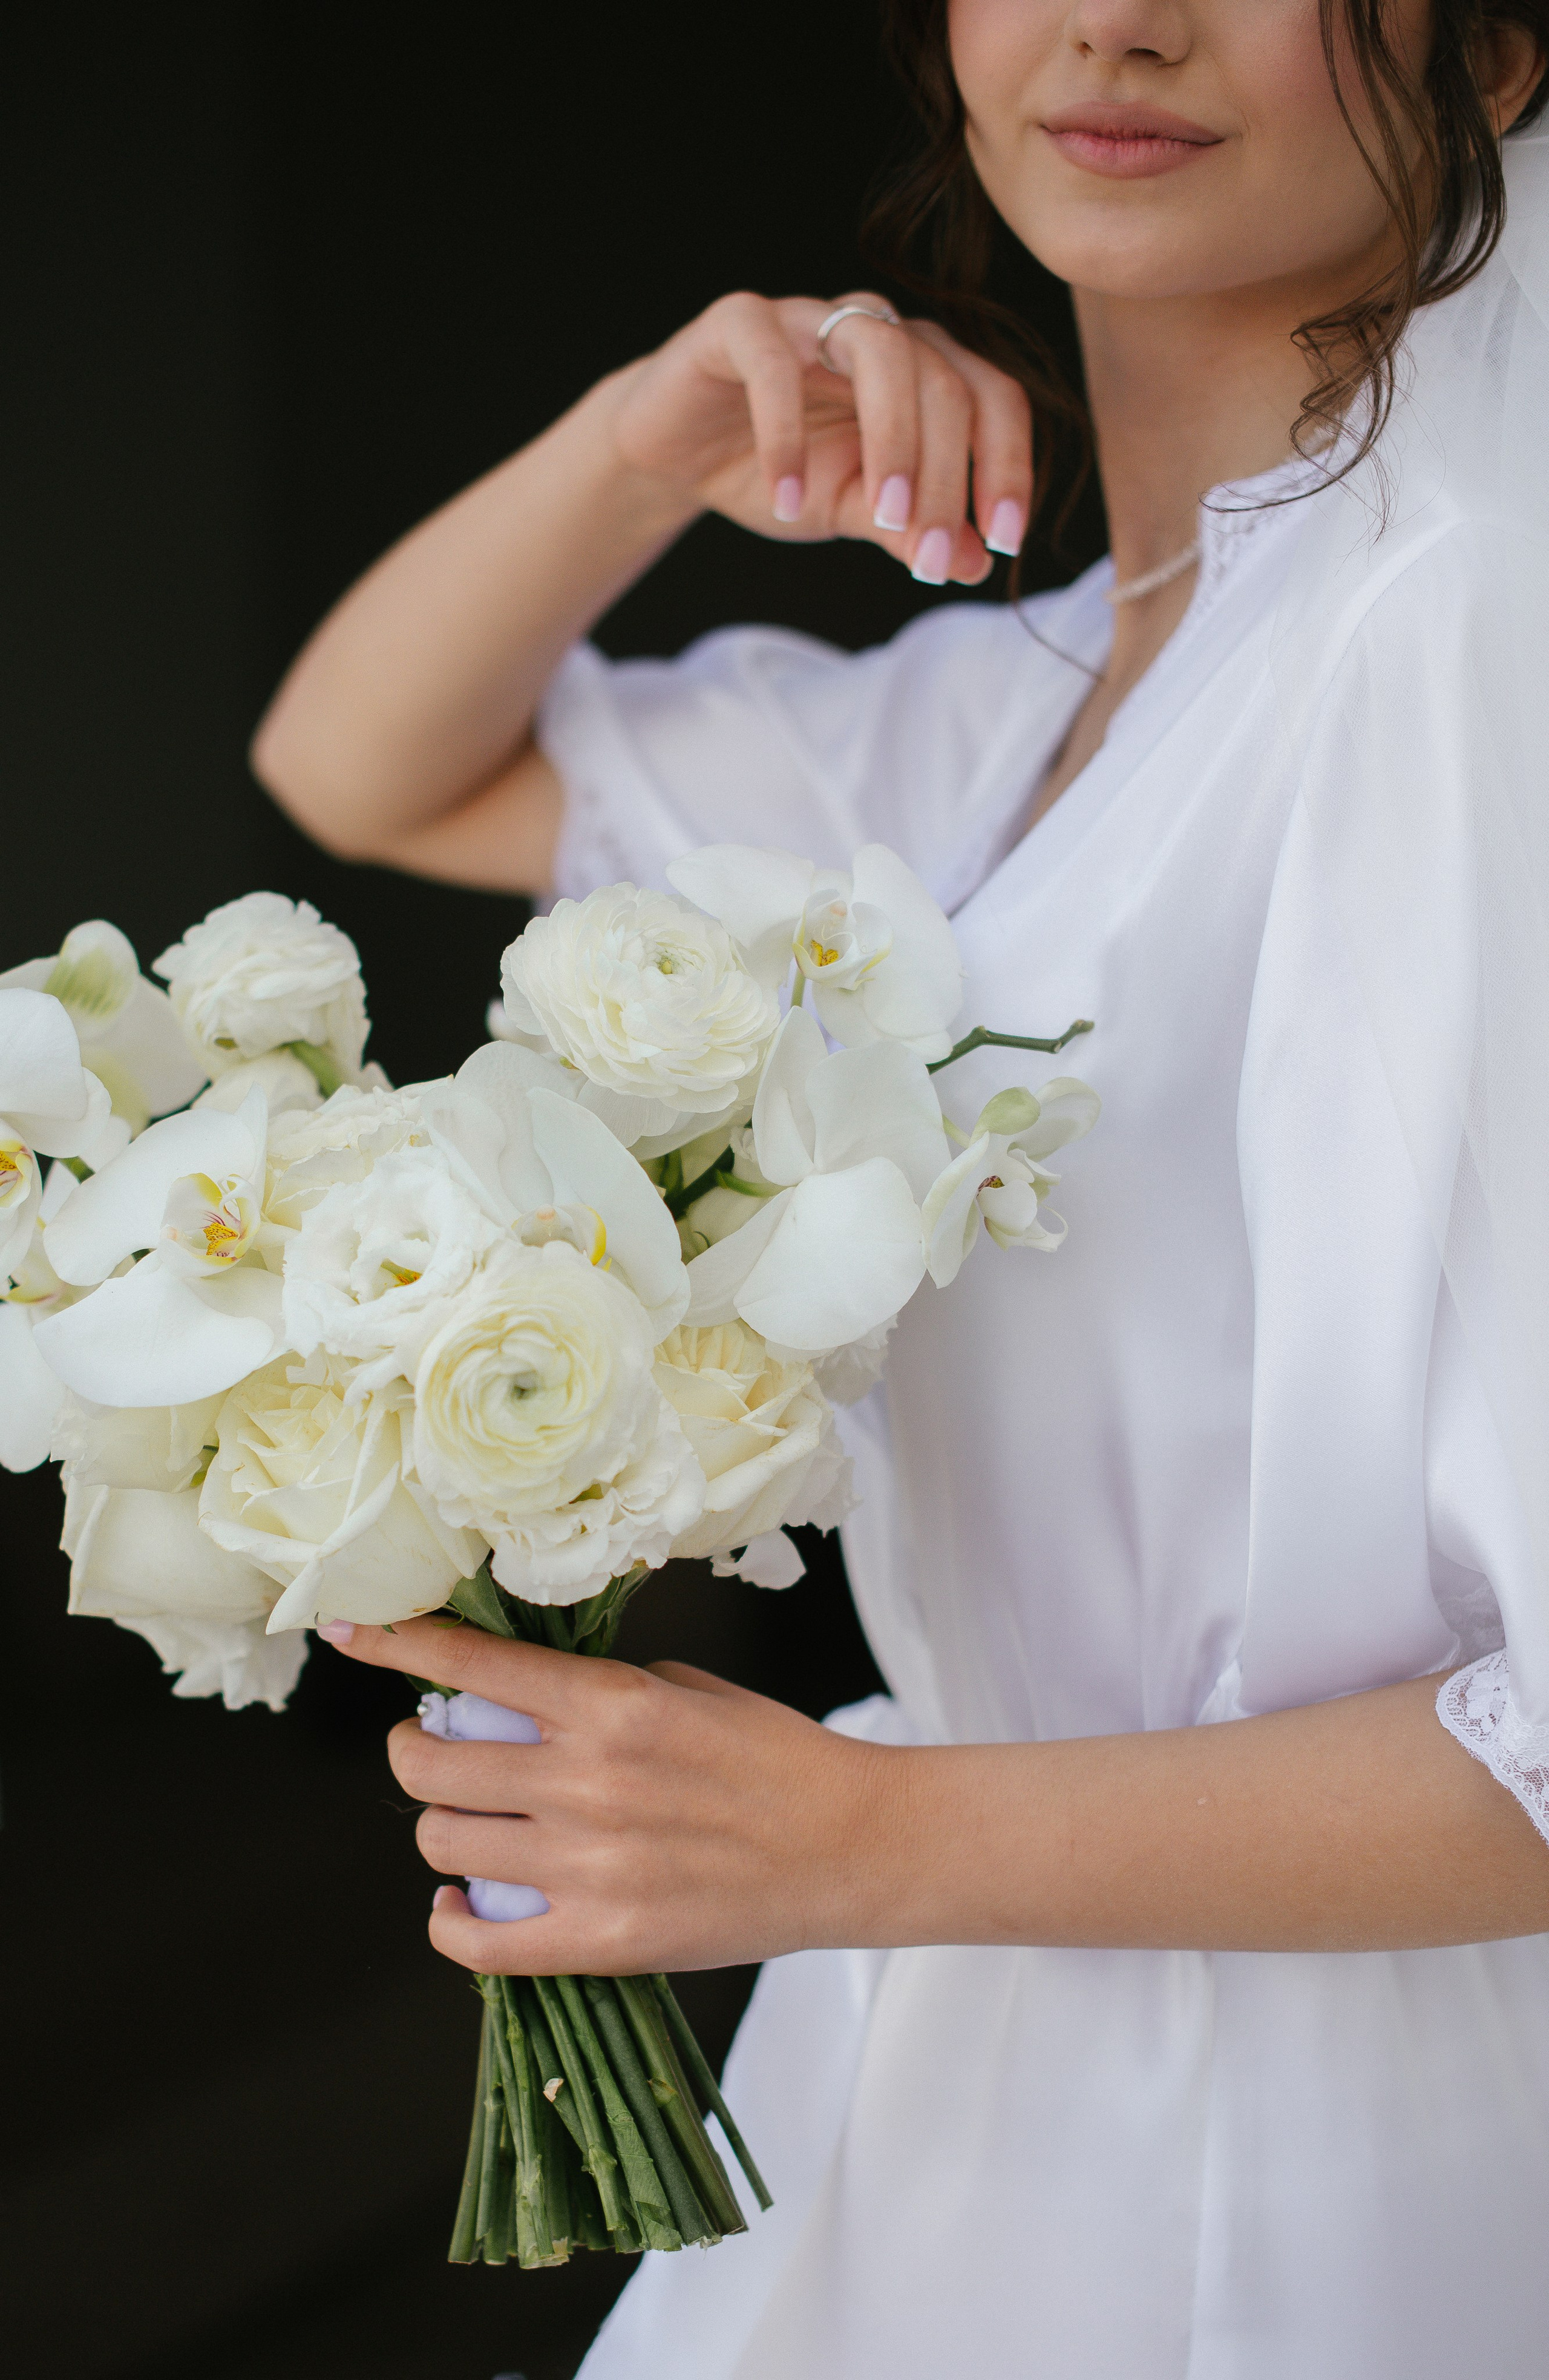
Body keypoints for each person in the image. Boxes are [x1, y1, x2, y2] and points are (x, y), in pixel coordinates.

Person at [253, 5, 1549, 2373]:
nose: (1120, 20)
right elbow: (364, 764)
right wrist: (654, 436)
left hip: (1342, 2155)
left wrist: (853, 1841)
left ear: (1492, 55)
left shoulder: (1467, 657)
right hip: (952, 2073)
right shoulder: (1001, 713)